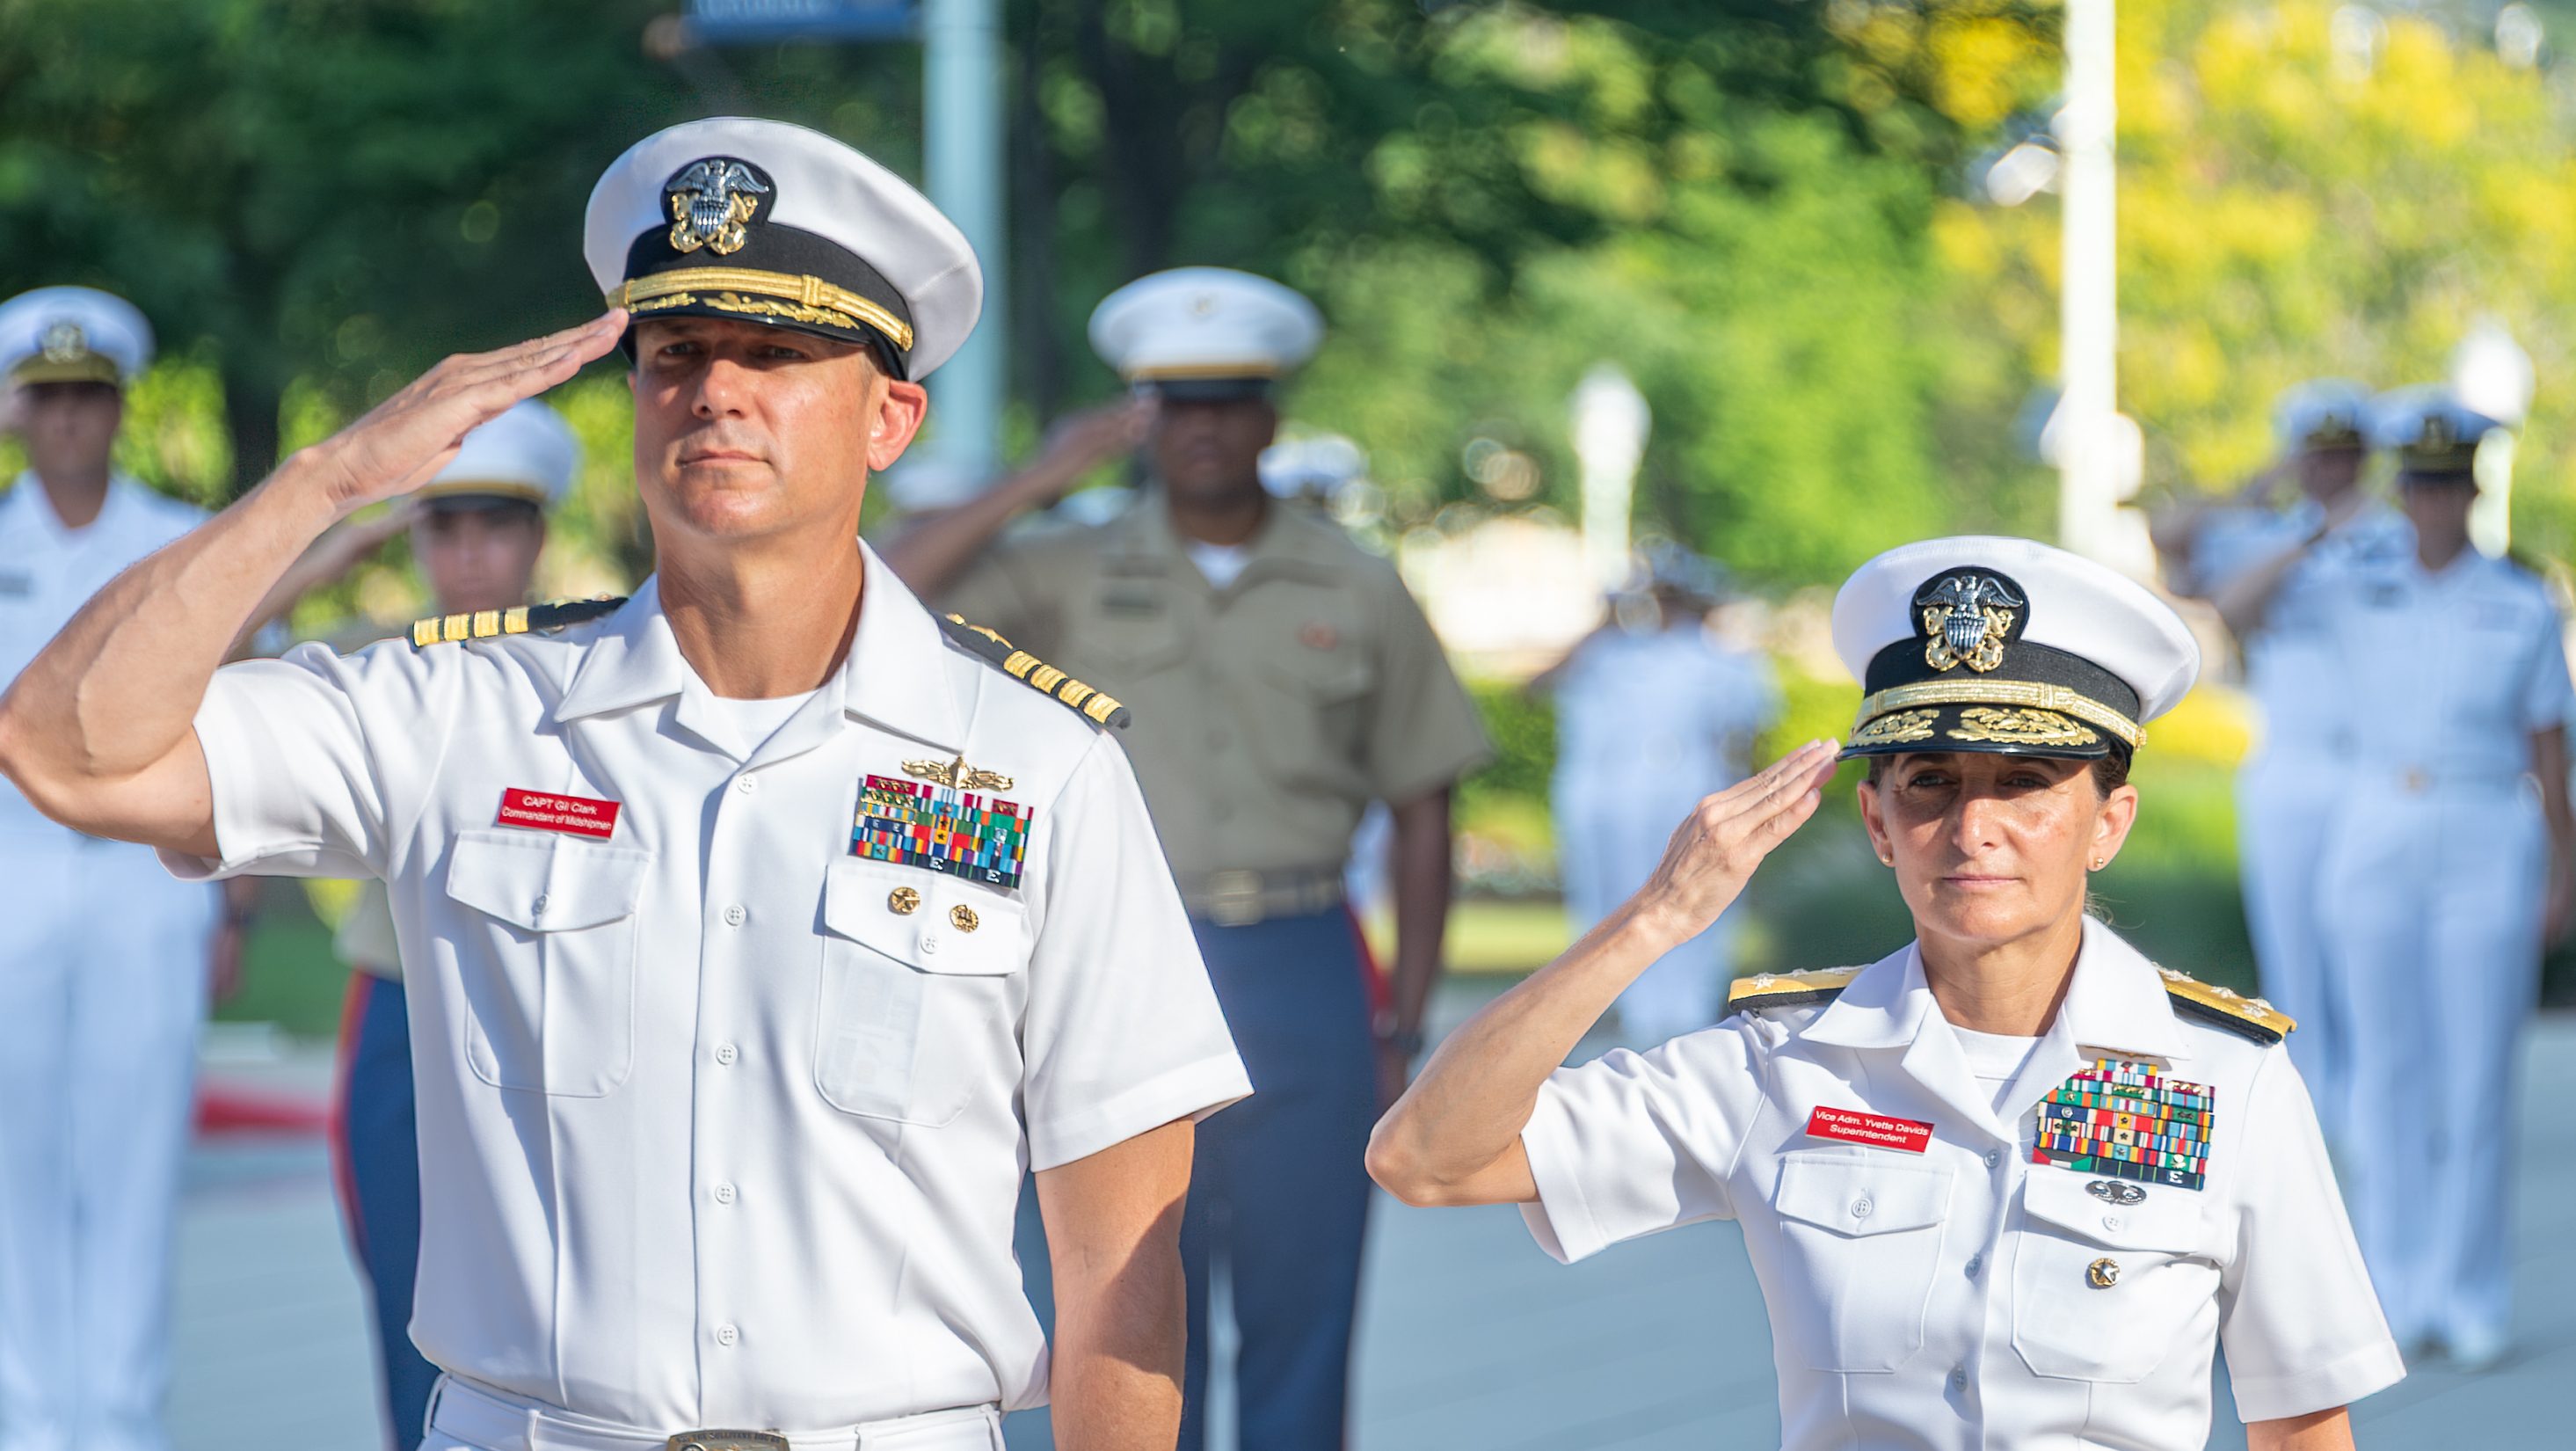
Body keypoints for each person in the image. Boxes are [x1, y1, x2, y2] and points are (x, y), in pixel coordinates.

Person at [0, 117, 1252, 1450]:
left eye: (776, 356)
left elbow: (1120, 1267)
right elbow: (68, 748)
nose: (716, 392)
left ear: (890, 417)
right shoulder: (463, 718)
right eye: (675, 357)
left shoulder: (1036, 764)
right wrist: (331, 479)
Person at [1370, 535, 2405, 1451]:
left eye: (2024, 782)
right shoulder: (1782, 1064)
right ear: (1875, 822)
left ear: (2108, 821)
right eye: (1930, 783)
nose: (1971, 828)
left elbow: (2301, 1424)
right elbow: (1423, 1158)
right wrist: (1655, 919)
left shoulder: (2224, 1079)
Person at [882, 267, 1490, 1451]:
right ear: (1139, 418)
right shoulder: (1068, 562)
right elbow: (880, 599)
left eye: (1228, 400)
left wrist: (1402, 1017)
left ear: (1269, 416)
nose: (1202, 427)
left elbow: (1425, 803)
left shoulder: (1355, 584)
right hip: (1105, 962)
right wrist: (1037, 477)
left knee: (1302, 1305)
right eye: (1173, 403)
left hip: (1299, 957)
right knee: (1116, 1305)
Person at [283, 401, 579, 1451]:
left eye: (491, 526)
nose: (465, 554)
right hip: (405, 1012)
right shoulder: (375, 661)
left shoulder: (599, 659)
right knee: (408, 1300)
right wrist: (342, 534)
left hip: (559, 1019)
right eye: (440, 527)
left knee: (576, 1315)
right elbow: (203, 662)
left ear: (536, 534)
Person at [0, 285, 234, 1451]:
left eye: (89, 399)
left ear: (121, 407)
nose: (71, 424)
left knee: (137, 1164)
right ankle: (34, 1424)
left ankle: (125, 1425)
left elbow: (235, 727)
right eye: (49, 401)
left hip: (148, 881)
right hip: (12, 880)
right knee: (16, 1171)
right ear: (17, 413)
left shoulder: (176, 545)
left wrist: (233, 900)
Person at [2314, 388, 2576, 1370]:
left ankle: (2468, 1295)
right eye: (2413, 482)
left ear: (2469, 487)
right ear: (2400, 490)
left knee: (2473, 1073)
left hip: (2481, 820)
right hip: (2376, 814)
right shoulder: (2348, 577)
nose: (2429, 500)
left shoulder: (2516, 600)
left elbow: (2548, 743)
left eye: (2444, 482)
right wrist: (2328, 505)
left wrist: (2562, 865)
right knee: (2383, 1069)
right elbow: (2232, 593)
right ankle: (2390, 1287)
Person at [2165, 380, 2407, 1146]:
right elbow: (2189, 561)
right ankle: (2306, 1116)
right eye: (2316, 452)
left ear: (2366, 459)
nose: (2329, 469)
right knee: (2294, 949)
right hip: (2292, 768)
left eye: (2342, 454)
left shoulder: (2399, 536)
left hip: (2374, 769)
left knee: (2372, 950)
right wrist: (2276, 500)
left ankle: (2376, 1112)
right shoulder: (2269, 536)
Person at [1532, 542, 1780, 1043]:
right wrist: (1605, 619)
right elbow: (1537, 686)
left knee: (1697, 892)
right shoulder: (1612, 652)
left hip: (1684, 790)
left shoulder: (1722, 660)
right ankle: (1632, 1006)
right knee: (1616, 894)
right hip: (1615, 797)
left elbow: (1744, 739)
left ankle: (1682, 1011)